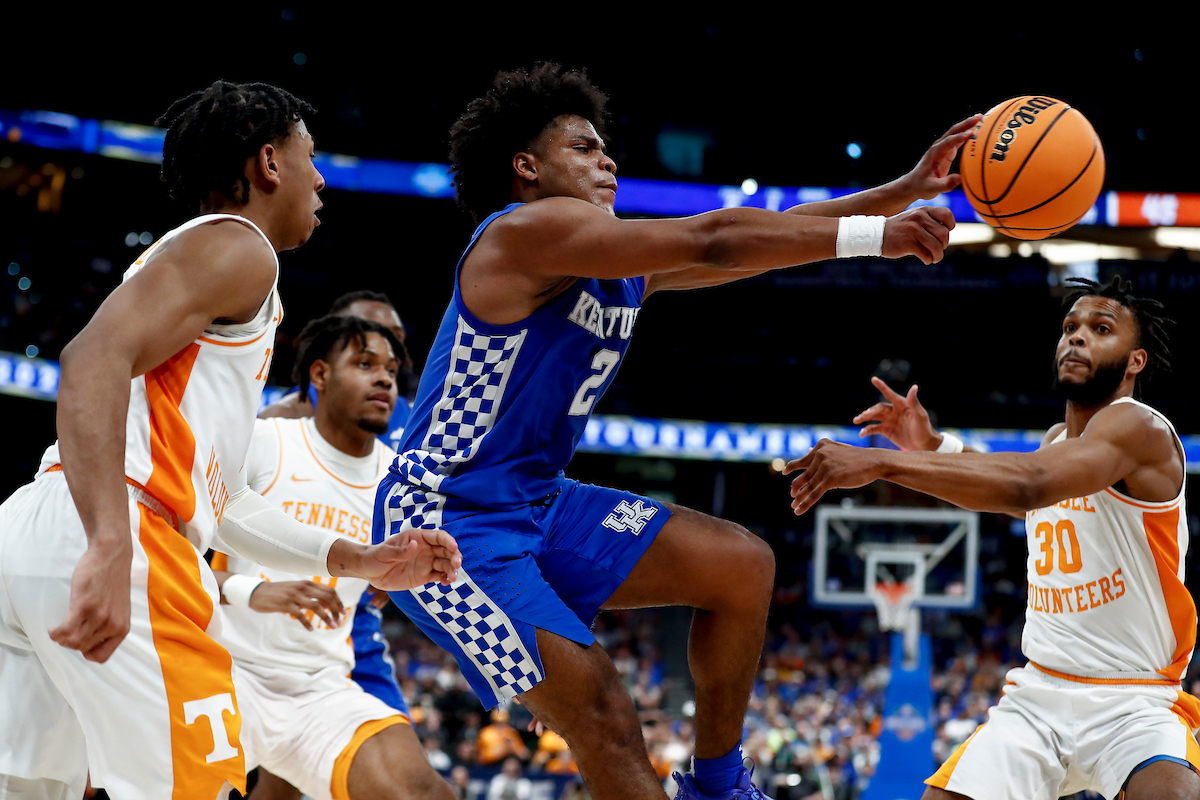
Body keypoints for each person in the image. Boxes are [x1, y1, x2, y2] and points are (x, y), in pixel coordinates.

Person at [374, 63, 978, 800]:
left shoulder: (622, 266)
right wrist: (876, 235)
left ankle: (718, 783)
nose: (609, 161)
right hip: (445, 521)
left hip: (537, 503)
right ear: (526, 167)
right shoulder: (520, 233)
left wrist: (902, 190)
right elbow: (716, 237)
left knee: (740, 566)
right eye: (585, 149)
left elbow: (759, 236)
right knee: (603, 712)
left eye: (607, 150)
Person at [0, 80, 459, 800]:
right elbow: (88, 359)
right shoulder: (243, 249)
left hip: (38, 528)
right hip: (119, 525)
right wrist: (110, 541)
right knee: (204, 787)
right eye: (312, 155)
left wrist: (357, 558)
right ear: (269, 163)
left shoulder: (208, 277)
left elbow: (228, 500)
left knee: (35, 789)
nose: (323, 177)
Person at [785, 277, 1199, 800]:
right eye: (1070, 327)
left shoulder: (1140, 427)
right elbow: (1021, 481)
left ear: (1135, 361)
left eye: (1100, 329)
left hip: (1135, 701)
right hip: (1041, 694)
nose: (1076, 338)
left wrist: (881, 463)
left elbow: (1029, 485)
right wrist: (932, 445)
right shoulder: (1056, 441)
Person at [212, 314, 455, 800]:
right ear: (320, 374)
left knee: (426, 794)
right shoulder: (266, 442)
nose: (384, 377)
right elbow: (165, 555)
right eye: (365, 363)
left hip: (317, 687)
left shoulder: (400, 488)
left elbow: (415, 591)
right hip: (222, 670)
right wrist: (251, 590)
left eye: (390, 368)